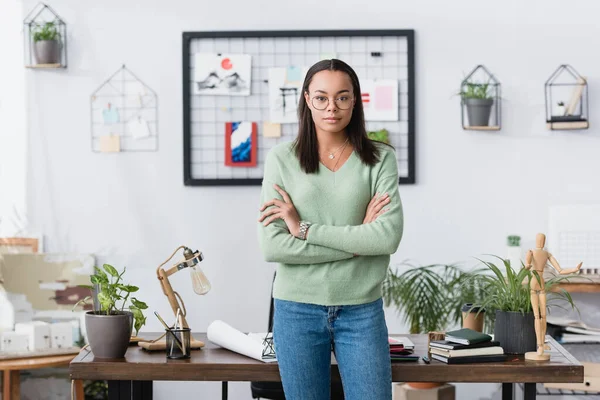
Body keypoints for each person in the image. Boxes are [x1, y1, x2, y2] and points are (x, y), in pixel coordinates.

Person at [257, 58, 404, 400]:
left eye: (342, 97)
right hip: (296, 310)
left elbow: (387, 237)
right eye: (321, 98)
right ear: (307, 99)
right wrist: (358, 241)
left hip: (362, 308)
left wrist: (305, 229)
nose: (332, 107)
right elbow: (273, 246)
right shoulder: (281, 159)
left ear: (355, 101)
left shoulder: (381, 159)